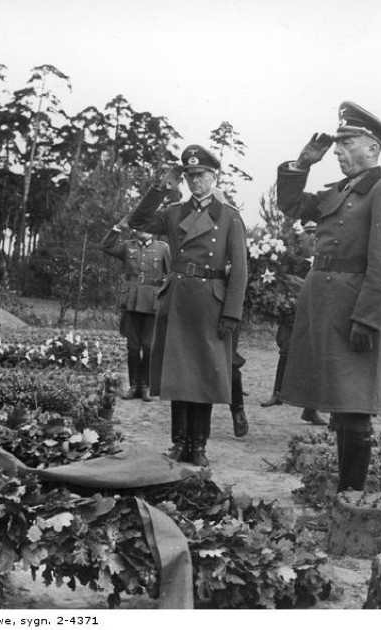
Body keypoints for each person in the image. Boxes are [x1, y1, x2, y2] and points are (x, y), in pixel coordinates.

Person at [276, 101, 381, 491]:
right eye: (336, 144)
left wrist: (367, 318)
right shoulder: (341, 190)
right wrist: (301, 165)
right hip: (328, 307)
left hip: (355, 310)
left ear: (372, 147)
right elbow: (291, 206)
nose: (336, 151)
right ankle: (344, 488)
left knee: (354, 407)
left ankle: (351, 492)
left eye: (345, 142)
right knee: (339, 402)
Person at [127, 144, 248, 467]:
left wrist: (232, 313)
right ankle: (179, 443)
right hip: (178, 300)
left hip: (210, 302)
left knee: (204, 377)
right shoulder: (174, 212)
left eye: (202, 175)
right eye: (190, 176)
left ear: (214, 176)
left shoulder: (229, 217)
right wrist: (162, 188)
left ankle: (199, 446)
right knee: (178, 375)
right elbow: (137, 220)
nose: (196, 182)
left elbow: (240, 269)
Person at [260, 221, 326, 425]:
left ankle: (311, 408)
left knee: (317, 358)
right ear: (302, 237)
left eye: (315, 233)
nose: (312, 238)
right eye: (308, 233)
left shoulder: (325, 260)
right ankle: (278, 393)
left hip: (318, 313)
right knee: (286, 351)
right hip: (293, 311)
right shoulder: (292, 258)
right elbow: (282, 278)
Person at [99, 226, 170, 402]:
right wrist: (116, 229)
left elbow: (171, 276)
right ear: (134, 229)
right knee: (132, 347)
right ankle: (133, 386)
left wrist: (166, 300)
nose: (144, 230)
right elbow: (105, 247)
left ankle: (145, 386)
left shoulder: (163, 248)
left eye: (148, 226)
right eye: (140, 226)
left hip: (152, 303)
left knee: (148, 347)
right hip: (130, 302)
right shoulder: (127, 246)